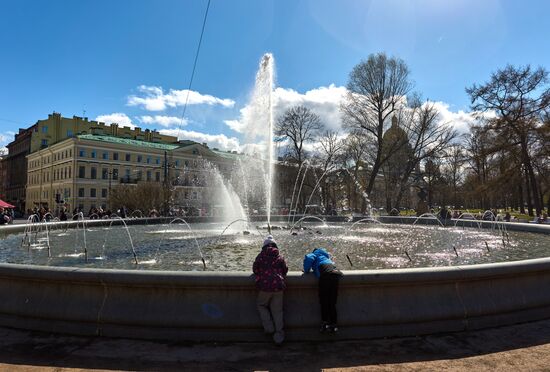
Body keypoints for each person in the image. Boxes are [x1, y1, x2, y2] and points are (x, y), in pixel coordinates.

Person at [252, 235, 288, 345]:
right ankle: (279, 336)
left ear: (264, 246)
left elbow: (255, 269)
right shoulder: (279, 256)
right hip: (278, 286)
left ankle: (269, 327)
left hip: (265, 286)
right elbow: (285, 270)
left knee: (261, 305)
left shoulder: (261, 256)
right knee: (278, 312)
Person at [303, 248, 343, 333]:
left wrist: (306, 270)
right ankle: (334, 325)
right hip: (335, 274)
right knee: (332, 302)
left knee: (324, 301)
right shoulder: (326, 257)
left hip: (325, 275)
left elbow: (309, 258)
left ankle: (324, 324)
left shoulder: (314, 254)